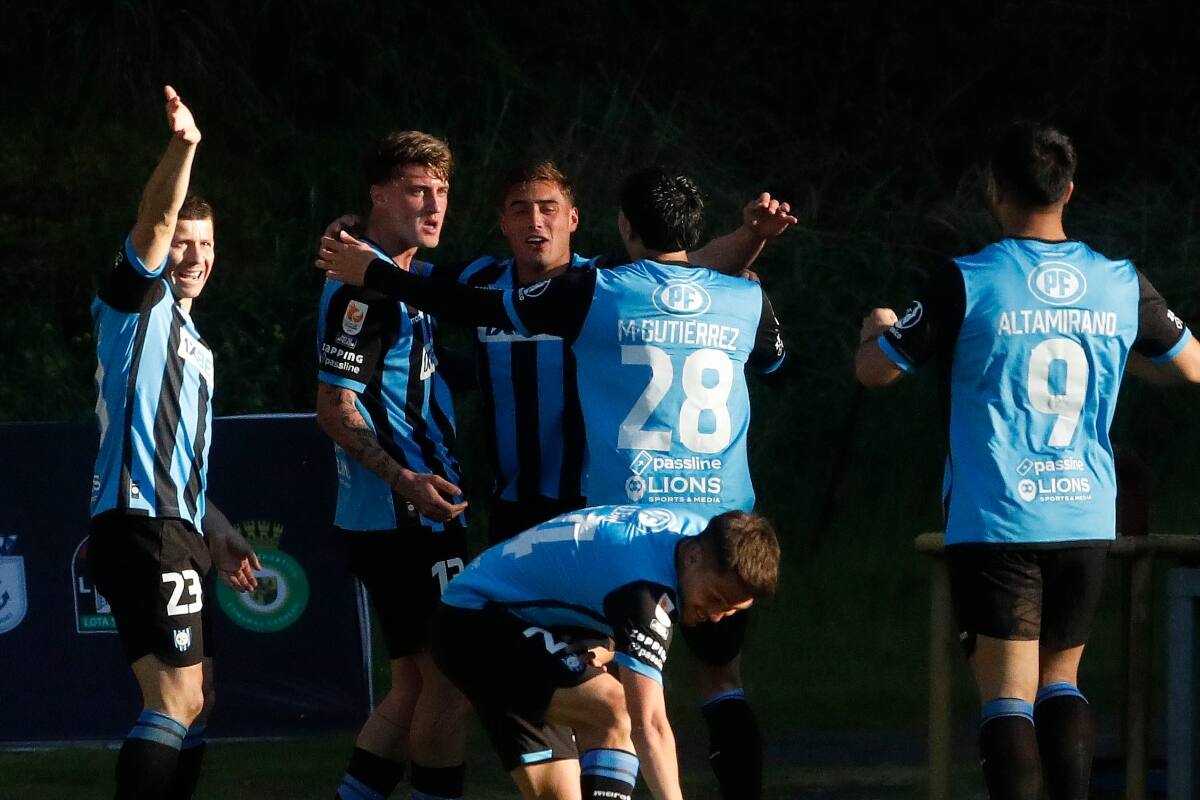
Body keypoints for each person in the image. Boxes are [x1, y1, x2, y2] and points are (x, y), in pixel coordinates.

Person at [317, 166, 790, 798]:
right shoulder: (736, 295)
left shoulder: (596, 288)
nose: (534, 222)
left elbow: (464, 306)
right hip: (679, 522)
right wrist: (750, 244)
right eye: (519, 209)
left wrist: (368, 268)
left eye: (548, 208)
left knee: (625, 700)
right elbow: (757, 344)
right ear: (502, 221)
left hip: (616, 524)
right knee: (662, 689)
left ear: (594, 222)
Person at [855, 121, 1200, 800]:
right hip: (1084, 512)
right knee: (1062, 682)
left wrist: (875, 329)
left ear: (994, 190)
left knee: (1007, 699)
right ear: (1069, 189)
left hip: (999, 516)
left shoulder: (968, 279)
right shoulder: (1119, 281)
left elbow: (877, 371)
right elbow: (1189, 368)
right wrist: (1122, 353)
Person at [88, 85, 261, 800]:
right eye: (183, 243)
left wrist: (217, 530)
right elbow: (156, 215)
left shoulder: (198, 345)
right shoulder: (139, 302)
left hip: (177, 527)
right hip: (140, 526)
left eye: (207, 245)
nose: (195, 256)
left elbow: (185, 470)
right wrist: (184, 146)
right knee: (174, 700)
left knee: (199, 698)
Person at [314, 130, 471, 800]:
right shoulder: (363, 289)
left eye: (441, 191)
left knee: (413, 681)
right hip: (405, 515)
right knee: (452, 678)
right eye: (417, 190)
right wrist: (403, 477)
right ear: (378, 195)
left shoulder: (401, 275)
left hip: (412, 512)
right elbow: (333, 406)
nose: (434, 205)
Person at [431, 504, 781, 800]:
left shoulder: (694, 531)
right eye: (717, 598)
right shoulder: (644, 591)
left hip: (522, 623)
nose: (718, 615)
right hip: (476, 622)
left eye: (733, 609)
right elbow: (651, 726)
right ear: (693, 557)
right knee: (618, 709)